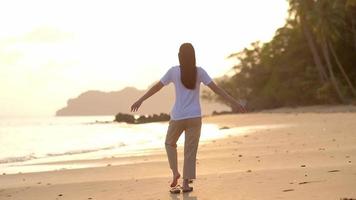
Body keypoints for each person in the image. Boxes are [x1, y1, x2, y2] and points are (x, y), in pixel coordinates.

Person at [130, 43, 246, 193]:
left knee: (169, 143)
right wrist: (234, 102)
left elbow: (157, 87)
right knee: (190, 151)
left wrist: (141, 99)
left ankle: (175, 173)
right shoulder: (200, 72)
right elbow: (216, 89)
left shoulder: (173, 71)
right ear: (194, 56)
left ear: (179, 56)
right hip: (195, 117)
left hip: (178, 116)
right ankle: (185, 184)